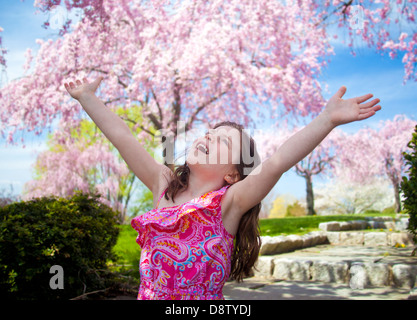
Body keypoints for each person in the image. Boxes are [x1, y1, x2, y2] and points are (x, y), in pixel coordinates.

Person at [64, 77, 381, 300]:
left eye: (223, 142)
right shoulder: (163, 185)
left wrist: (325, 120)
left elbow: (276, 162)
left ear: (232, 173)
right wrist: (88, 99)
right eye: (210, 134)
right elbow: (124, 138)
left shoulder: (229, 203)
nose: (208, 138)